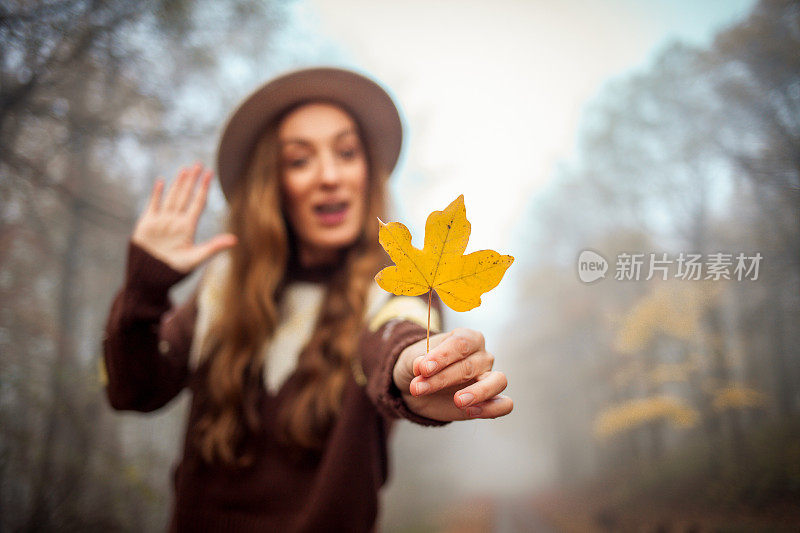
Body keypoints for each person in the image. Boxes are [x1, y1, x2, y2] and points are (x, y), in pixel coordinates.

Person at [102, 66, 513, 532]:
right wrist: (144, 290)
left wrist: (419, 367)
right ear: (271, 182)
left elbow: (397, 338)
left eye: (346, 152)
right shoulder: (222, 284)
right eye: (300, 160)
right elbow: (132, 391)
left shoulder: (394, 285)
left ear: (366, 170)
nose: (330, 176)